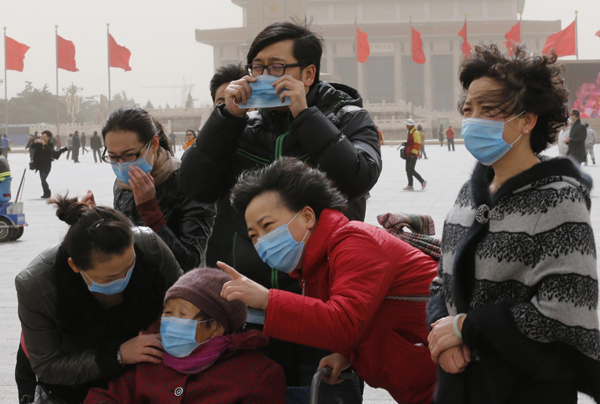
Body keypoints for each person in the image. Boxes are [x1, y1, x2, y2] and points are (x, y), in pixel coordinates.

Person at [178, 20, 382, 388]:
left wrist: (306, 117)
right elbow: (194, 185)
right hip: (248, 312)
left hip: (324, 310)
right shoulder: (241, 127)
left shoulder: (348, 119)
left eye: (275, 67)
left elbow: (357, 178)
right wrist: (225, 118)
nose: (262, 76)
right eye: (256, 67)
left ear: (308, 73)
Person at [426, 44, 600, 404]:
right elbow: (442, 281)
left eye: (489, 109)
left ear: (527, 119)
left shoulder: (559, 200)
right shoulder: (468, 193)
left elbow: (565, 309)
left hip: (527, 389)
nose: (472, 119)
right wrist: (443, 336)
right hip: (460, 386)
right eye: (469, 108)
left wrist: (468, 328)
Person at [220, 157, 438, 403]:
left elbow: (344, 321)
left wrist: (268, 300)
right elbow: (364, 315)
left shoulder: (354, 242)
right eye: (254, 235)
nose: (262, 241)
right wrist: (347, 354)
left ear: (307, 217)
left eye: (268, 226)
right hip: (422, 383)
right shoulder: (314, 267)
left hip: (452, 373)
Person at [15, 195, 183, 404]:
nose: (124, 278)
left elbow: (187, 299)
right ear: (75, 266)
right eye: (110, 277)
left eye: (130, 267)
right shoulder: (37, 286)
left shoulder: (149, 246)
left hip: (137, 378)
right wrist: (118, 355)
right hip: (71, 384)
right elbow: (49, 366)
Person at [84, 267, 286, 404]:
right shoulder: (151, 358)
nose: (171, 322)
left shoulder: (257, 375)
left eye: (183, 314)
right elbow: (103, 398)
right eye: (168, 313)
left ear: (216, 327)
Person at [83, 107, 216, 272]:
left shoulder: (190, 184)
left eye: (129, 155)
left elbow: (190, 262)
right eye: (113, 157)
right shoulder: (122, 184)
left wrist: (150, 212)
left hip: (177, 292)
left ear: (153, 144)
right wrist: (98, 220)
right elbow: (125, 243)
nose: (122, 165)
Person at [30, 130, 66, 199]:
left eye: (44, 136)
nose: (42, 137)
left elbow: (50, 151)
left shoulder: (50, 145)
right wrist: (34, 143)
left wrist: (44, 145)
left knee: (43, 178)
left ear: (48, 137)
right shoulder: (38, 144)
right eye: (42, 136)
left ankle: (48, 193)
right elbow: (32, 147)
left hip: (47, 164)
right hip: (40, 164)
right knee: (42, 179)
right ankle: (45, 193)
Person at [402, 119, 426, 191]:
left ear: (410, 125)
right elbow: (411, 142)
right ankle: (410, 185)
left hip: (412, 154)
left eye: (407, 124)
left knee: (411, 169)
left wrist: (414, 153)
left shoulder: (416, 133)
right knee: (407, 169)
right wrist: (406, 143)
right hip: (408, 153)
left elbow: (417, 143)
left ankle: (422, 181)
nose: (406, 125)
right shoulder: (410, 132)